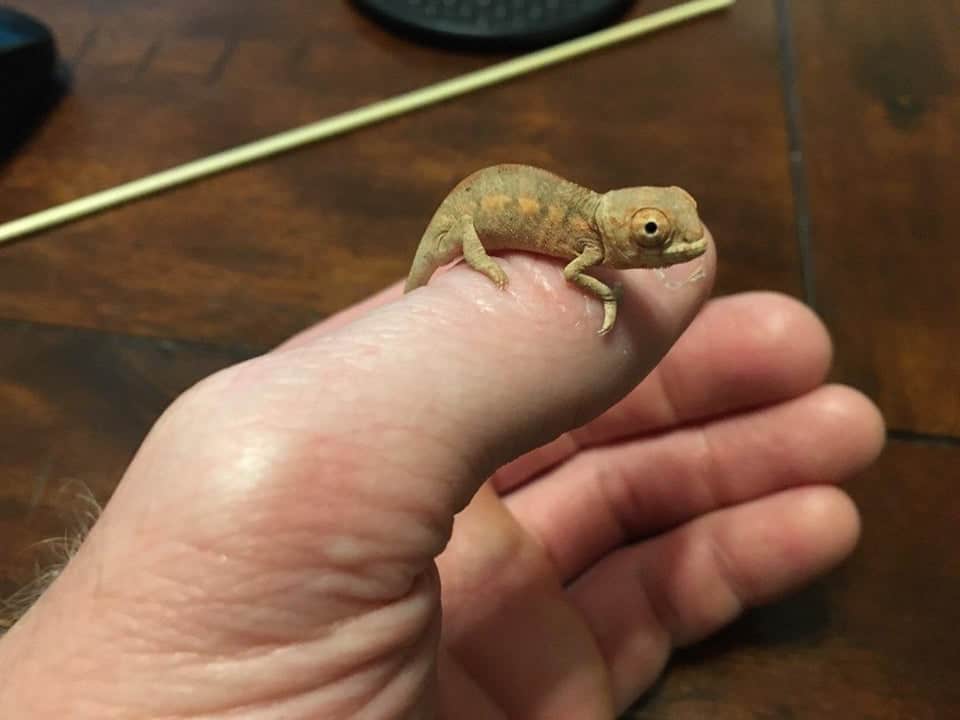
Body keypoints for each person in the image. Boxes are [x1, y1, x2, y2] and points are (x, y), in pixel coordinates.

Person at [0, 231, 884, 718]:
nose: (665, 249)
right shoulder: (588, 244)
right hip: (472, 221)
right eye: (652, 237)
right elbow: (583, 277)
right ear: (620, 230)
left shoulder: (600, 228)